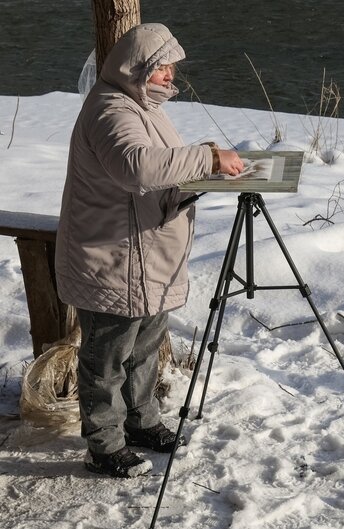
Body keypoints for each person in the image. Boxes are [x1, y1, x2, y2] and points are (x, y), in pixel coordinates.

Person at [55, 23, 244, 478]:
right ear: (137, 67)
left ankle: (142, 423)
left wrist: (202, 167)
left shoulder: (145, 105)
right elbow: (135, 167)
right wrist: (206, 158)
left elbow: (157, 169)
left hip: (146, 255)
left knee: (144, 348)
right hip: (113, 258)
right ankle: (104, 446)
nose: (170, 74)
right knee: (106, 359)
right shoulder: (109, 109)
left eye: (172, 66)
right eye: (162, 67)